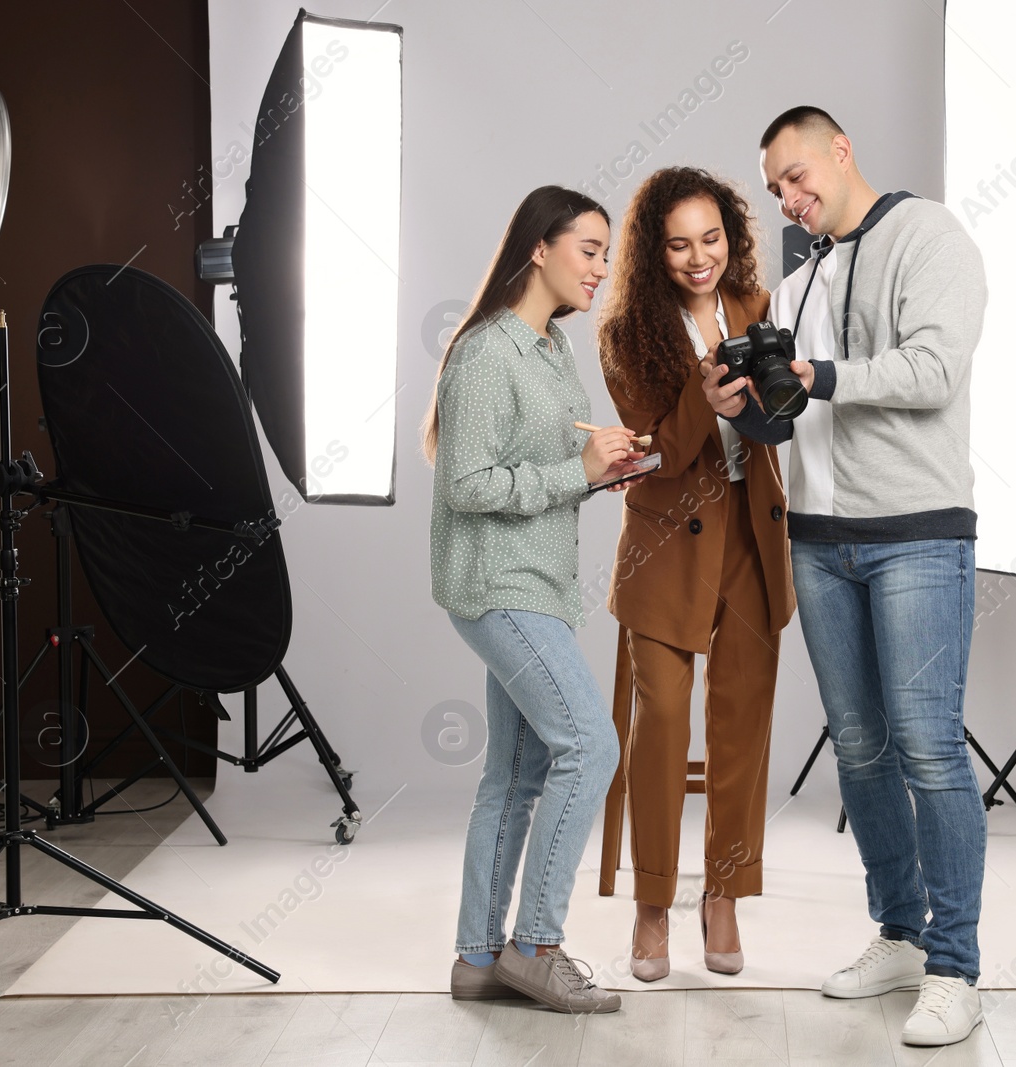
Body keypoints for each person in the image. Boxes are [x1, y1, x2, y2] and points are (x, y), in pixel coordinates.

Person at [700, 107, 990, 1047]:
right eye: (775, 187)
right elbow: (784, 426)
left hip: (915, 533)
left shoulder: (928, 234)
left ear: (841, 149)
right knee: (860, 750)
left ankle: (956, 965)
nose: (789, 196)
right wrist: (738, 407)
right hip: (820, 542)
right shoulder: (797, 282)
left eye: (797, 174)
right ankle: (900, 932)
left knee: (930, 747)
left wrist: (818, 373)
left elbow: (934, 370)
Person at [425, 185, 647, 1015]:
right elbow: (467, 483)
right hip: (499, 584)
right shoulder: (488, 352)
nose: (601, 266)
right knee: (590, 745)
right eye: (589, 248)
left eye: (605, 252)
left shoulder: (550, 349)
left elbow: (551, 470)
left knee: (515, 775)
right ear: (539, 249)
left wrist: (605, 469)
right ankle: (537, 946)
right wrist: (575, 473)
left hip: (539, 586)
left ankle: (480, 959)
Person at [595, 167, 795, 981]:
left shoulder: (756, 305)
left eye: (711, 238)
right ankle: (651, 905)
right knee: (662, 725)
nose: (699, 257)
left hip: (751, 537)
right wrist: (703, 401)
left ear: (731, 236)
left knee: (743, 723)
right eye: (679, 244)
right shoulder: (626, 334)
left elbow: (781, 423)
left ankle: (724, 895)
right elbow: (655, 453)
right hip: (667, 544)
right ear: (653, 253)